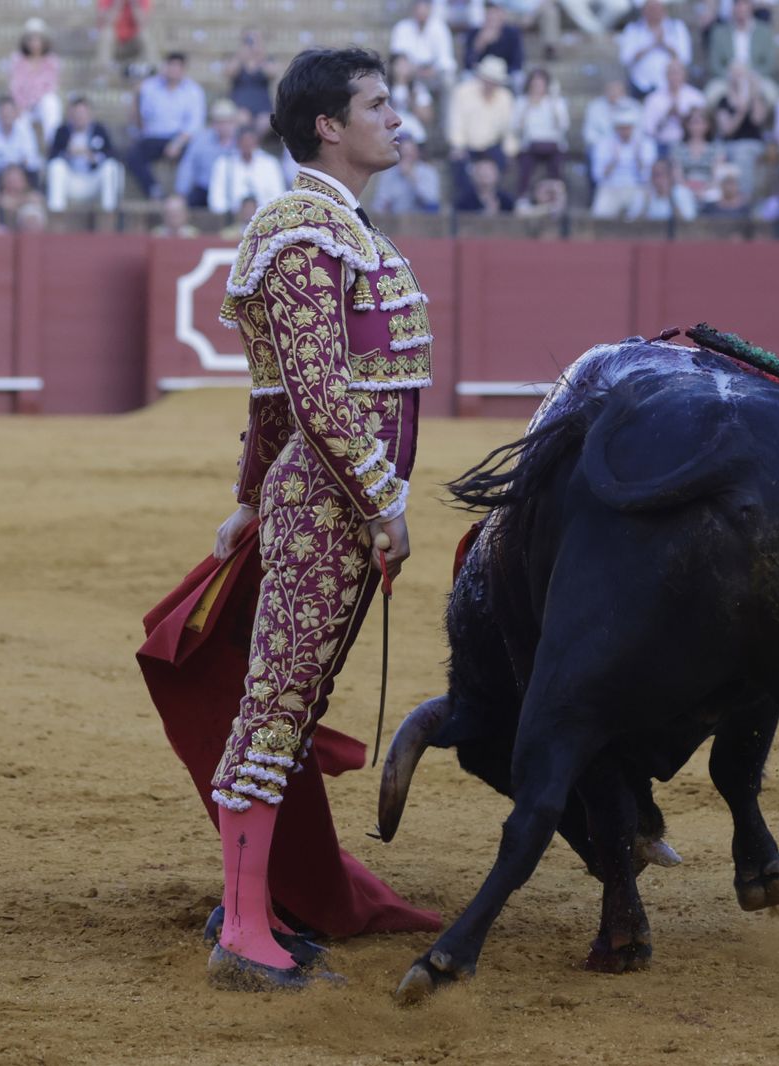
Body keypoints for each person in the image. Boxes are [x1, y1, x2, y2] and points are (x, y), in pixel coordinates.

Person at [200, 47, 439, 990]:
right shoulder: (305, 228)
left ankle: (258, 911)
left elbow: (269, 401)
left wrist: (250, 500)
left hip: (313, 506)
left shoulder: (337, 226)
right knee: (273, 711)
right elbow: (312, 391)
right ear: (328, 126)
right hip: (332, 509)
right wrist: (384, 503)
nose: (396, 117)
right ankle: (244, 933)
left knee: (290, 709)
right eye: (378, 104)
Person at [126, 53, 208, 199]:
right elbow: (139, 123)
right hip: (154, 138)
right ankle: (154, 190)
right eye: (171, 66)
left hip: (181, 139)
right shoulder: (148, 87)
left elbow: (195, 124)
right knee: (133, 155)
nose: (173, 70)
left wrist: (177, 144)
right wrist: (136, 98)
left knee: (196, 153)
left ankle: (183, 196)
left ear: (183, 69)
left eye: (177, 66)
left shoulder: (193, 91)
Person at [47, 96, 125, 213]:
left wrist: (94, 157)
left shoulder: (100, 130)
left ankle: (109, 213)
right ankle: (56, 213)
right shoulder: (62, 131)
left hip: (93, 180)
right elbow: (52, 156)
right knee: (56, 167)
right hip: (71, 180)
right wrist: (67, 154)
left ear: (90, 114)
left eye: (82, 112)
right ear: (70, 115)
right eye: (76, 113)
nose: (79, 116)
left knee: (111, 167)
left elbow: (113, 155)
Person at [446, 55, 518, 175]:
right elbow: (456, 123)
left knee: (502, 163)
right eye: (488, 79)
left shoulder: (505, 97)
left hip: (492, 148)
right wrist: (458, 146)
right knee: (458, 164)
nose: (490, 83)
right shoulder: (462, 92)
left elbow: (510, 129)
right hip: (466, 147)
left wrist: (510, 151)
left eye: (494, 80)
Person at [590, 100, 657, 217]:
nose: (625, 131)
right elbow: (598, 176)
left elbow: (647, 176)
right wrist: (614, 161)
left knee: (640, 210)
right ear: (616, 127)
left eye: (628, 127)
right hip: (611, 188)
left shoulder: (646, 144)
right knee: (600, 214)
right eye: (622, 127)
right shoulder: (604, 144)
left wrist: (638, 157)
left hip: (637, 188)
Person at [512, 68, 570, 196]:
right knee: (525, 167)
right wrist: (528, 106)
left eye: (541, 83)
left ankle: (558, 198)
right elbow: (517, 128)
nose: (538, 87)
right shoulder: (522, 102)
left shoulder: (557, 102)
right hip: (530, 145)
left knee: (556, 167)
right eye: (535, 83)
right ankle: (522, 198)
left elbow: (563, 125)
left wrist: (554, 101)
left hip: (553, 145)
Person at [619, 0, 693, 97]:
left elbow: (685, 58)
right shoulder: (633, 29)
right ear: (644, 11)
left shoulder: (677, 27)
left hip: (669, 88)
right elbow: (626, 59)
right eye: (650, 9)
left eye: (657, 8)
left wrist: (664, 44)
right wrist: (651, 44)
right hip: (640, 85)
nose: (654, 12)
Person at [705, 0, 777, 99]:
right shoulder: (719, 32)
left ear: (751, 7)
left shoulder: (764, 31)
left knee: (770, 92)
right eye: (738, 4)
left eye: (745, 3)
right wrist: (730, 74)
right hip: (727, 78)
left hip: (755, 77)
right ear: (733, 7)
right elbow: (715, 64)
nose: (741, 8)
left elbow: (769, 64)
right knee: (712, 92)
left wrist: (751, 74)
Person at [177, 98, 242, 207]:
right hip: (204, 188)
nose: (224, 126)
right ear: (213, 123)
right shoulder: (200, 140)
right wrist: (181, 192)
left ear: (235, 123)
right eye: (220, 122)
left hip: (233, 190)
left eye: (228, 122)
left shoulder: (242, 140)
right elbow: (188, 165)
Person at [209, 126, 287, 214]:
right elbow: (216, 199)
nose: (247, 146)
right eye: (244, 143)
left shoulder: (270, 163)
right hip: (232, 217)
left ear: (256, 143)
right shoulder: (223, 163)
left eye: (250, 143)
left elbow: (278, 194)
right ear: (238, 143)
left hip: (265, 216)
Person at [9, 18, 62, 145]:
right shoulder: (17, 59)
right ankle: (30, 159)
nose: (34, 43)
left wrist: (33, 102)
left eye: (38, 39)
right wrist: (20, 105)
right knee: (19, 121)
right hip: (23, 105)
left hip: (41, 103)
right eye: (31, 39)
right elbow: (15, 86)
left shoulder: (52, 61)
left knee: (51, 102)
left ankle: (54, 145)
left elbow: (49, 86)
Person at [0, 95, 43, 197]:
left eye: (10, 111)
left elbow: (31, 159)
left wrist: (15, 170)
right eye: (3, 111)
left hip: (20, 172)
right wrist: (7, 171)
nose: (6, 114)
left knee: (33, 174)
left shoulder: (25, 130)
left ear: (16, 113)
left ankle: (32, 199)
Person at [390, 0, 459, 88]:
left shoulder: (440, 28)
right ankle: (399, 98)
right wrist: (413, 69)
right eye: (418, 9)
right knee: (400, 68)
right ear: (413, 10)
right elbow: (398, 55)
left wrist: (433, 70)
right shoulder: (402, 27)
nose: (421, 13)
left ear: (430, 9)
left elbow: (446, 59)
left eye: (424, 9)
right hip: (411, 71)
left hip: (434, 72)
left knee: (448, 79)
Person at [642, 59, 707, 147]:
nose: (675, 76)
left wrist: (682, 119)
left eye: (678, 73)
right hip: (661, 145)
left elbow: (704, 127)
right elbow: (649, 130)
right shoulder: (653, 99)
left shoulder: (696, 97)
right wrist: (666, 116)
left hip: (688, 146)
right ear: (665, 75)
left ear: (684, 75)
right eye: (672, 73)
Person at [370, 137, 443, 213]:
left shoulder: (429, 172)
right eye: (404, 152)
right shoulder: (389, 174)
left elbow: (431, 200)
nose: (407, 156)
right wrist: (384, 204)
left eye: (410, 152)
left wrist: (411, 177)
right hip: (395, 220)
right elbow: (378, 205)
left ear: (417, 152)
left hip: (422, 220)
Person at [230, 28, 280, 130]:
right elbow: (229, 72)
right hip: (240, 104)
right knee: (241, 119)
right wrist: (242, 55)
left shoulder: (266, 59)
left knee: (265, 122)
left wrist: (259, 55)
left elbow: (273, 73)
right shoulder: (238, 59)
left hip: (262, 105)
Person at [625, 155, 698, 221]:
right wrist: (645, 205)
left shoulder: (682, 193)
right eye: (654, 175)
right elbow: (630, 222)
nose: (657, 180)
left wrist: (671, 199)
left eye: (661, 175)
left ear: (670, 176)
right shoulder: (643, 195)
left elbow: (689, 222)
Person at [464, 2, 526, 76]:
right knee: (467, 75)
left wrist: (500, 72)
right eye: (490, 14)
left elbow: (517, 63)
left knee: (518, 77)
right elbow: (468, 64)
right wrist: (479, 44)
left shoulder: (512, 33)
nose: (493, 18)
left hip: (505, 74)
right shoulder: (474, 33)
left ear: (502, 15)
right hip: (481, 75)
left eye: (496, 14)